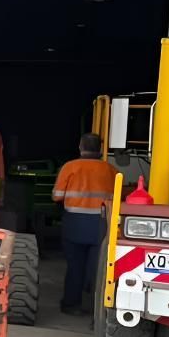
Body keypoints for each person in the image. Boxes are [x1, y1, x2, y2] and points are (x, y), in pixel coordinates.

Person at [52, 133, 118, 315]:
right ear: (100, 149)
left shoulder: (70, 167)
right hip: (101, 226)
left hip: (75, 224)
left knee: (75, 266)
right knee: (97, 268)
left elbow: (57, 195)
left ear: (80, 146)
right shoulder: (111, 170)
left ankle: (71, 305)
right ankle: (96, 310)